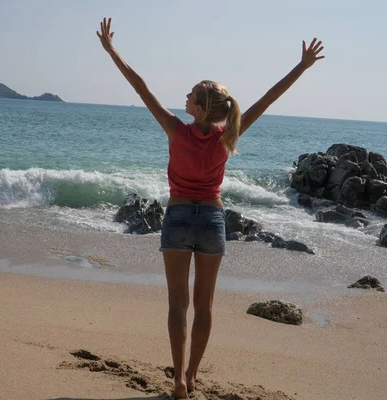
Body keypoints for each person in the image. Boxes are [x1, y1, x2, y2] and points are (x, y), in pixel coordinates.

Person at [96, 18, 325, 399]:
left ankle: (179, 382)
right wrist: (301, 68)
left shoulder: (175, 128)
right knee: (204, 305)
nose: (183, 99)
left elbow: (140, 86)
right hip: (213, 221)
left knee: (177, 303)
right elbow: (267, 99)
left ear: (201, 108)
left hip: (179, 217)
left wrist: (111, 51)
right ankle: (192, 373)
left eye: (190, 96)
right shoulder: (228, 135)